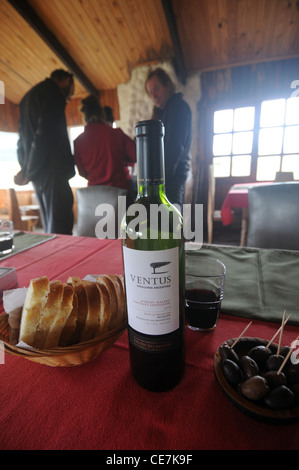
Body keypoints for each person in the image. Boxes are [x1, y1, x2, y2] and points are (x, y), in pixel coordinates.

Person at [16, 69, 75, 234]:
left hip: (37, 174)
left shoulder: (26, 99)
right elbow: (44, 135)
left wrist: (28, 169)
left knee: (50, 229)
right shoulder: (53, 93)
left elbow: (21, 142)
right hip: (53, 171)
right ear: (65, 80)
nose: (69, 97)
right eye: (70, 92)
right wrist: (30, 170)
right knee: (61, 232)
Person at [74, 96, 136, 203]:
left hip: (95, 198)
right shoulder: (116, 134)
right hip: (120, 194)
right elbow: (136, 155)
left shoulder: (78, 142)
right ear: (103, 116)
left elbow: (82, 172)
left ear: (85, 118)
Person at [145, 67, 192, 207]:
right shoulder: (163, 112)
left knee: (170, 223)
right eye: (150, 92)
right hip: (164, 178)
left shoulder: (179, 108)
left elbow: (175, 147)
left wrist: (161, 180)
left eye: (157, 88)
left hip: (171, 179)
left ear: (168, 85)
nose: (154, 96)